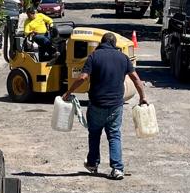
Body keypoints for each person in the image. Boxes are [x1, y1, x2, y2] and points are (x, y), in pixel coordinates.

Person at [63, 32, 148, 181]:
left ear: (101, 42)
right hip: (116, 104)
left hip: (97, 104)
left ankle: (92, 164)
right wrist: (142, 97)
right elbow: (135, 78)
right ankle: (117, 168)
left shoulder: (94, 56)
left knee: (94, 134)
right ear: (114, 44)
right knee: (114, 135)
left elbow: (83, 77)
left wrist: (68, 92)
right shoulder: (123, 58)